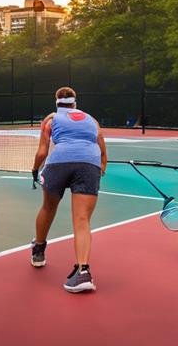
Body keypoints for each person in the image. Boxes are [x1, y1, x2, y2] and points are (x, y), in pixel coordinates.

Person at [29, 87, 108, 293]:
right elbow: (102, 151)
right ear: (75, 103)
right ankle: (83, 272)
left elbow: (43, 151)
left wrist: (35, 168)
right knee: (82, 219)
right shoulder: (92, 120)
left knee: (48, 208)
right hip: (89, 164)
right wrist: (99, 168)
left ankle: (38, 250)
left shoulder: (50, 120)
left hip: (59, 163)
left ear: (57, 102)